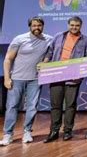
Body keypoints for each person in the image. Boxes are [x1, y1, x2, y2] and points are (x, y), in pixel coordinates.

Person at [0, 17, 52, 146]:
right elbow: (7, 59)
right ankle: (8, 134)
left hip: (35, 80)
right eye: (34, 25)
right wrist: (7, 78)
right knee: (12, 106)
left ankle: (27, 131)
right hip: (17, 78)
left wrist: (45, 61)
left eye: (39, 25)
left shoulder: (49, 39)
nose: (36, 28)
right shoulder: (19, 39)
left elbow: (49, 53)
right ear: (29, 26)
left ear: (43, 26)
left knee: (32, 107)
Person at [43, 16, 87, 143]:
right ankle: (54, 131)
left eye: (77, 25)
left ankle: (67, 131)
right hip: (56, 76)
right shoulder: (58, 37)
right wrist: (45, 62)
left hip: (73, 78)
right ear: (68, 25)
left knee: (70, 106)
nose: (74, 27)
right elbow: (50, 52)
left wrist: (80, 73)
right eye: (72, 25)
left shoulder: (86, 41)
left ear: (80, 26)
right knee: (55, 105)